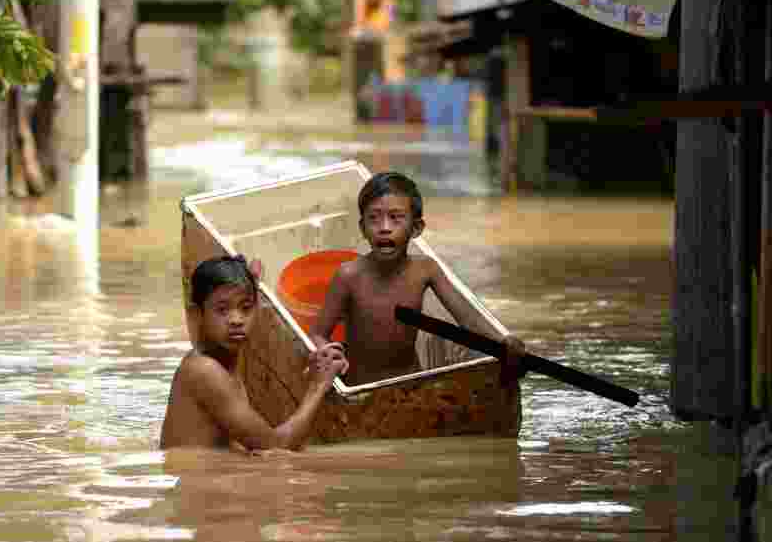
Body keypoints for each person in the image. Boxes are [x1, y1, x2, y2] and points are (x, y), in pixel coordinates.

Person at [310, 172, 527, 386]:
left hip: (411, 384)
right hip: (360, 387)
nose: (384, 228)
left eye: (395, 218)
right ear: (363, 228)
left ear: (416, 228)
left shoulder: (425, 269)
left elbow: (467, 318)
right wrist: (325, 351)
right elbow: (318, 333)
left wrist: (502, 342)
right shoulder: (348, 275)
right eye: (373, 218)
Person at [160, 255, 349, 451]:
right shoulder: (204, 371)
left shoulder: (226, 355)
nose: (236, 320)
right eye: (222, 310)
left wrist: (250, 280)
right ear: (197, 314)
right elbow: (275, 448)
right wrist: (318, 386)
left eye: (245, 308)